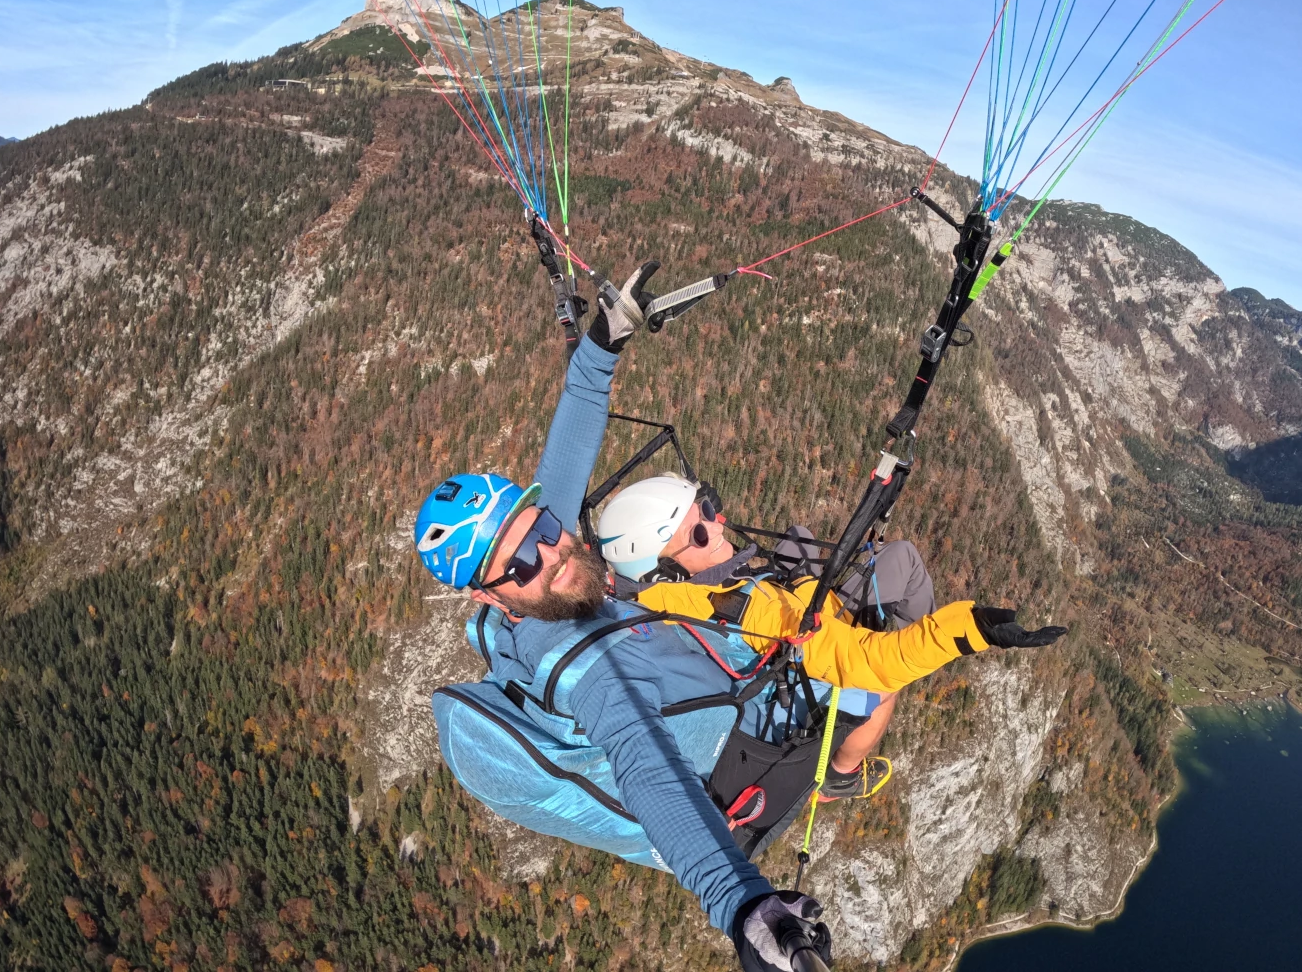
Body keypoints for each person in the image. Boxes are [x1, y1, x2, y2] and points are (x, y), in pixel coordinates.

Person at [413, 262, 1065, 969]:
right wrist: (743, 904)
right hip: (749, 735)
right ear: (487, 594)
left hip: (720, 673)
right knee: (874, 677)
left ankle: (845, 751)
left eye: (542, 527)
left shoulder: (550, 568)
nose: (552, 553)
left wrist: (603, 343)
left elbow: (567, 447)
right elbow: (648, 773)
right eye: (520, 562)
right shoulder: (588, 669)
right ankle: (844, 770)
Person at [598, 481, 1065, 800]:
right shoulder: (745, 607)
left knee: (818, 544)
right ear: (668, 571)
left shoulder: (652, 597)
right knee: (882, 689)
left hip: (788, 603)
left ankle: (871, 622)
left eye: (706, 506)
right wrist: (974, 629)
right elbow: (868, 663)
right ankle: (840, 775)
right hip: (805, 643)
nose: (717, 524)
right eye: (699, 532)